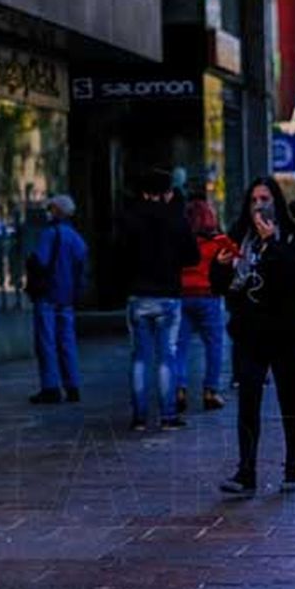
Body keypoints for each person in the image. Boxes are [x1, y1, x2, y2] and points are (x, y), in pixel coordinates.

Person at [212, 178, 295, 495]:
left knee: (289, 398)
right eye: (254, 198)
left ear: (276, 201)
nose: (259, 204)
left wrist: (275, 246)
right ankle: (246, 471)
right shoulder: (240, 236)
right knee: (248, 400)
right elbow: (220, 285)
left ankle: (293, 467)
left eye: (265, 197)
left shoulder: (292, 234)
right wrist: (221, 267)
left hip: (287, 331)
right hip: (249, 331)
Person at [114, 172, 199, 429]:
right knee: (166, 356)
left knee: (139, 357)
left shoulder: (129, 218)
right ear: (166, 192)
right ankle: (168, 415)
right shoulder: (176, 219)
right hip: (168, 295)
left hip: (138, 294)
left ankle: (139, 417)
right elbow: (192, 257)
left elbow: (118, 255)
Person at [29, 194, 90, 405]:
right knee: (67, 342)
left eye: (51, 208)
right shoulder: (75, 236)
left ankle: (50, 387)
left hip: (47, 294)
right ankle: (72, 386)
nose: (48, 211)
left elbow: (40, 261)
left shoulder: (49, 234)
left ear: (57, 210)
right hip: (67, 296)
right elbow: (82, 262)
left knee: (46, 342)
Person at [175, 198, 234, 413]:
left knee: (179, 346)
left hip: (183, 295)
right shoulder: (217, 241)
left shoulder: (181, 240)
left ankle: (178, 389)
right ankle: (210, 390)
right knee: (214, 345)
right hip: (209, 295)